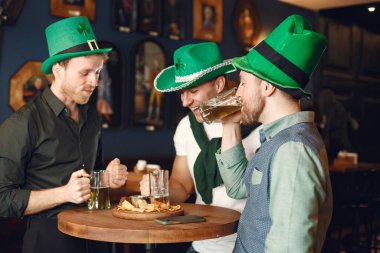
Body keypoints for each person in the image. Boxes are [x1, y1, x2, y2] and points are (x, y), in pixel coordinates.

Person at [0, 16, 128, 253]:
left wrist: (107, 179)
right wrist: (64, 193)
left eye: (98, 72)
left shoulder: (92, 117)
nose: (95, 81)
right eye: (85, 73)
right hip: (49, 242)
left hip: (97, 237)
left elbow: (92, 176)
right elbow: (2, 199)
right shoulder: (22, 123)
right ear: (59, 70)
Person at [216, 15, 333, 252]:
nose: (237, 93)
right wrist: (229, 124)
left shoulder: (292, 150)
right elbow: (239, 187)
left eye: (243, 83)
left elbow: (290, 248)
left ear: (267, 87)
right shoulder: (277, 139)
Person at [139, 42, 261, 253]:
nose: (185, 101)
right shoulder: (187, 126)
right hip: (202, 244)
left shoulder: (259, 122)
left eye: (193, 91)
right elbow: (182, 184)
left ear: (219, 83)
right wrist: (159, 191)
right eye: (182, 93)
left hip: (247, 245)